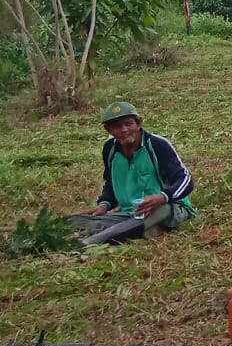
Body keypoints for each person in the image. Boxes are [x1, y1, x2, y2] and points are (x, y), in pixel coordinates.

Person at [70, 101, 196, 245]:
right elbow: (111, 183)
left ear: (139, 123)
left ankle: (91, 241)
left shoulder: (157, 145)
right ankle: (139, 230)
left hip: (169, 207)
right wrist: (104, 205)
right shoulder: (110, 149)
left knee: (158, 211)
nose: (124, 130)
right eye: (117, 126)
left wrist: (162, 197)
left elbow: (186, 180)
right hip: (130, 213)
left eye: (129, 124)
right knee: (71, 220)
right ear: (108, 129)